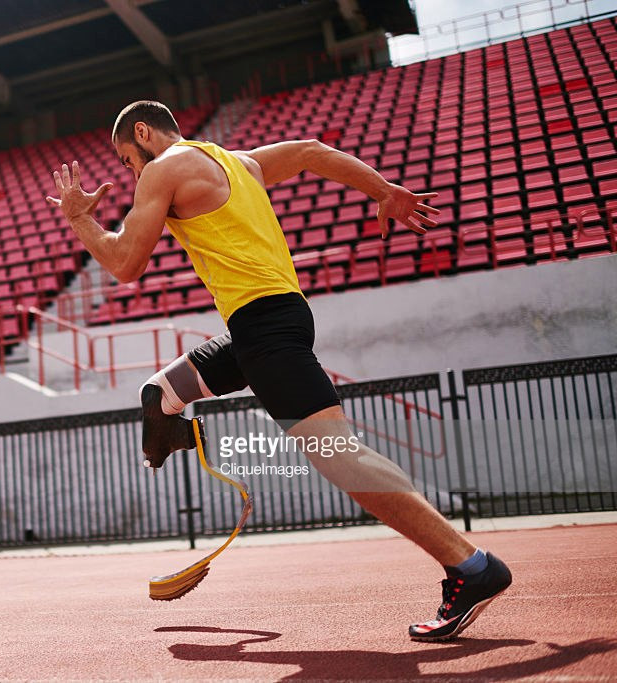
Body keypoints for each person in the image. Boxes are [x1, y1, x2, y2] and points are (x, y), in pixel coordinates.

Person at [46, 100, 510, 641]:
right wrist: (383, 190)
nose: (131, 173)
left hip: (264, 328)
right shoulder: (239, 161)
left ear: (143, 133)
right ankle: (168, 424)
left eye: (127, 159)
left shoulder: (163, 169)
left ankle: (472, 567)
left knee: (340, 456)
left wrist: (80, 216)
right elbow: (313, 152)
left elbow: (125, 264)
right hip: (267, 324)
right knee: (159, 392)